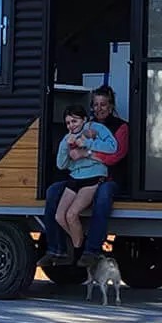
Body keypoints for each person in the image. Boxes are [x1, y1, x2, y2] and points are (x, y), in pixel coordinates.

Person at [42, 85, 129, 268]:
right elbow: (65, 160)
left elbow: (115, 156)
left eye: (103, 104)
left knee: (103, 195)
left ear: (111, 106)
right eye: (95, 105)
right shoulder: (83, 126)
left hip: (109, 178)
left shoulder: (120, 127)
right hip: (79, 175)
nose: (99, 108)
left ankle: (92, 250)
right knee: (52, 192)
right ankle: (56, 248)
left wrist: (87, 152)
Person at [51, 104, 117, 255]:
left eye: (74, 121)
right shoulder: (68, 138)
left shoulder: (95, 129)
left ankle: (78, 253)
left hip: (93, 175)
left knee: (72, 214)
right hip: (75, 176)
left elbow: (113, 147)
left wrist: (86, 144)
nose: (71, 125)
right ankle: (81, 243)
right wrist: (65, 145)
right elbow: (61, 165)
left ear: (84, 120)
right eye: (68, 123)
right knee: (59, 216)